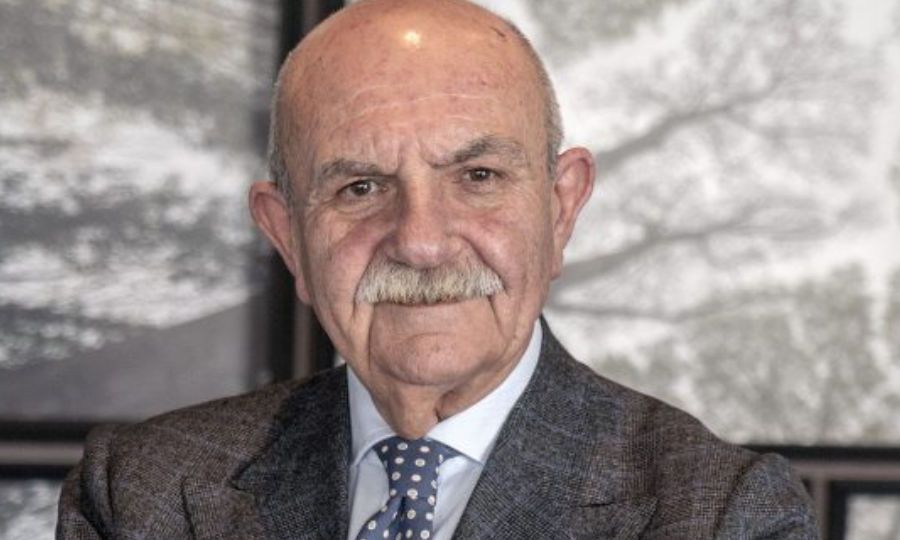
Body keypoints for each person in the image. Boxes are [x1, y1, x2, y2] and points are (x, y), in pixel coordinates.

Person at [57, 0, 818, 538]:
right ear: (288, 237)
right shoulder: (144, 496)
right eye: (360, 188)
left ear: (561, 209)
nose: (420, 242)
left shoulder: (719, 515)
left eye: (477, 177)